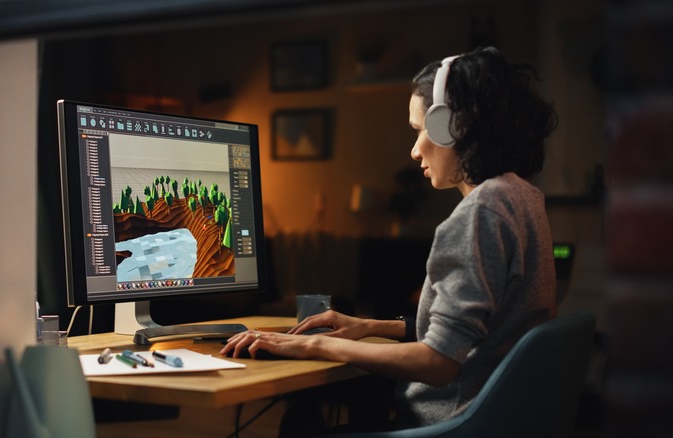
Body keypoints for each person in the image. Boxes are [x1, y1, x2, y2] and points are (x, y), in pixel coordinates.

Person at [220, 46, 558, 430]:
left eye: (419, 131)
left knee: (299, 424)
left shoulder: (481, 212)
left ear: (452, 126)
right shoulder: (523, 198)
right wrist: (371, 326)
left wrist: (314, 344)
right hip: (498, 417)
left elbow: (439, 363)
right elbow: (482, 327)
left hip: (454, 422)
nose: (415, 151)